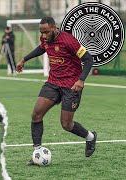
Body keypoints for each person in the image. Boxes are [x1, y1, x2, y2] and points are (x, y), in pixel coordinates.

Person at [16, 17, 96, 165]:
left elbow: (88, 59)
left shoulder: (69, 41)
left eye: (46, 32)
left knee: (66, 125)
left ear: (55, 28)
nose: (44, 35)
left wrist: (81, 80)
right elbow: (42, 48)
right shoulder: (45, 38)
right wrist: (24, 59)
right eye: (42, 32)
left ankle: (90, 136)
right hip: (53, 83)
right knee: (36, 115)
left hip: (71, 86)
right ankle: (37, 153)